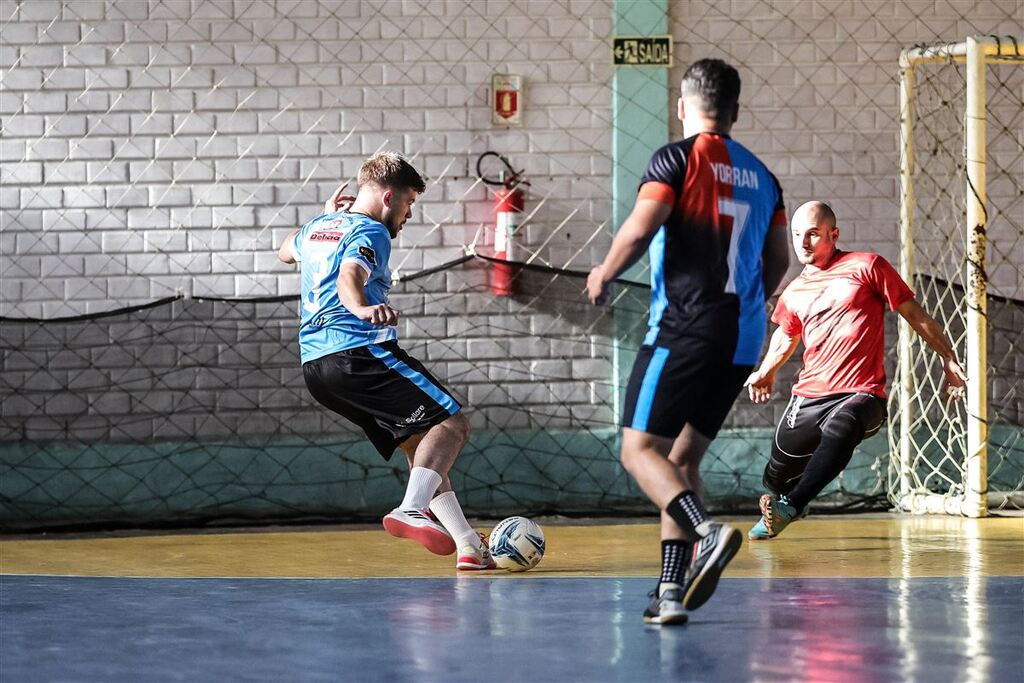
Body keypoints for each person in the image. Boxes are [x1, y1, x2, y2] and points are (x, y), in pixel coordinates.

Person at [586, 58, 790, 625]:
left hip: (684, 328)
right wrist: (749, 305)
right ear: (736, 111)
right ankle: (670, 593)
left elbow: (642, 225)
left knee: (638, 450)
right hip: (742, 338)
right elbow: (779, 262)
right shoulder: (764, 178)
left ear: (683, 106)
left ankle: (706, 531)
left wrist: (604, 271)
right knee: (681, 461)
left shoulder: (677, 159)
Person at [278, 151, 495, 571]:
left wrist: (323, 218)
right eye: (410, 203)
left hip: (318, 370)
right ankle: (411, 509)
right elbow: (349, 278)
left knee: (423, 449)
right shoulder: (371, 231)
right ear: (388, 197)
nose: (409, 213)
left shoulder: (320, 227)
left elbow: (285, 252)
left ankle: (469, 545)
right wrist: (360, 308)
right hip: (358, 352)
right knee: (451, 424)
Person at [745, 200, 968, 539]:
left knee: (843, 426)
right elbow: (786, 335)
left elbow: (914, 313)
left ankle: (792, 506)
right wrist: (767, 370)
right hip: (810, 395)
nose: (804, 243)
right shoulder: (794, 291)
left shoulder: (867, 266)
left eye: (814, 235)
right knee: (778, 470)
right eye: (797, 235)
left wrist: (947, 356)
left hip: (864, 395)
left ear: (833, 235)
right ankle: (784, 499)